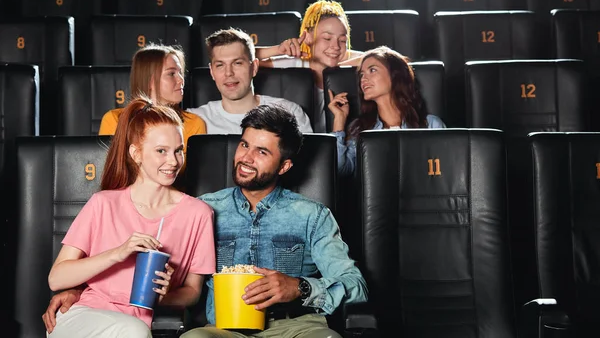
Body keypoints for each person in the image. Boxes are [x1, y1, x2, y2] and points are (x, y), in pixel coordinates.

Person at [44, 105, 367, 338]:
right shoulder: (204, 208)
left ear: (284, 167)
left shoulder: (312, 215)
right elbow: (134, 255)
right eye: (244, 145)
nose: (245, 158)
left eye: (261, 153)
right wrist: (78, 289)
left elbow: (356, 285)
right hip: (222, 331)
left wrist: (298, 287)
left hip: (295, 327)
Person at [44, 97, 216, 337]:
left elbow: (193, 291)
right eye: (161, 151)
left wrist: (165, 296)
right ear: (136, 154)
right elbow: (56, 278)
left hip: (137, 325)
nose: (173, 161)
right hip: (82, 316)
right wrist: (119, 252)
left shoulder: (199, 214)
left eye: (179, 151)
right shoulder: (103, 203)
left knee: (134, 330)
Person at [329, 46, 447, 176]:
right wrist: (339, 120)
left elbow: (444, 175)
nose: (363, 79)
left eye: (372, 70)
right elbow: (340, 169)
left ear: (394, 75)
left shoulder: (432, 125)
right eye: (361, 74)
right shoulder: (359, 129)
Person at [255, 0, 364, 133]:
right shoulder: (292, 63)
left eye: (342, 40)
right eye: (327, 38)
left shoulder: (350, 65)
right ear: (307, 37)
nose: (335, 46)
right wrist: (277, 49)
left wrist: (357, 57)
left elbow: (392, 58)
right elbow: (237, 57)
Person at [186, 28, 313, 134]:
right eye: (220, 65)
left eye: (237, 63)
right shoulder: (194, 119)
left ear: (254, 67)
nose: (229, 73)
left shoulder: (289, 113)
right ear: (212, 71)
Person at [99, 43, 206, 149]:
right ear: (150, 80)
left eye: (180, 73)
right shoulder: (115, 120)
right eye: (171, 74)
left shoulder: (195, 123)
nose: (181, 80)